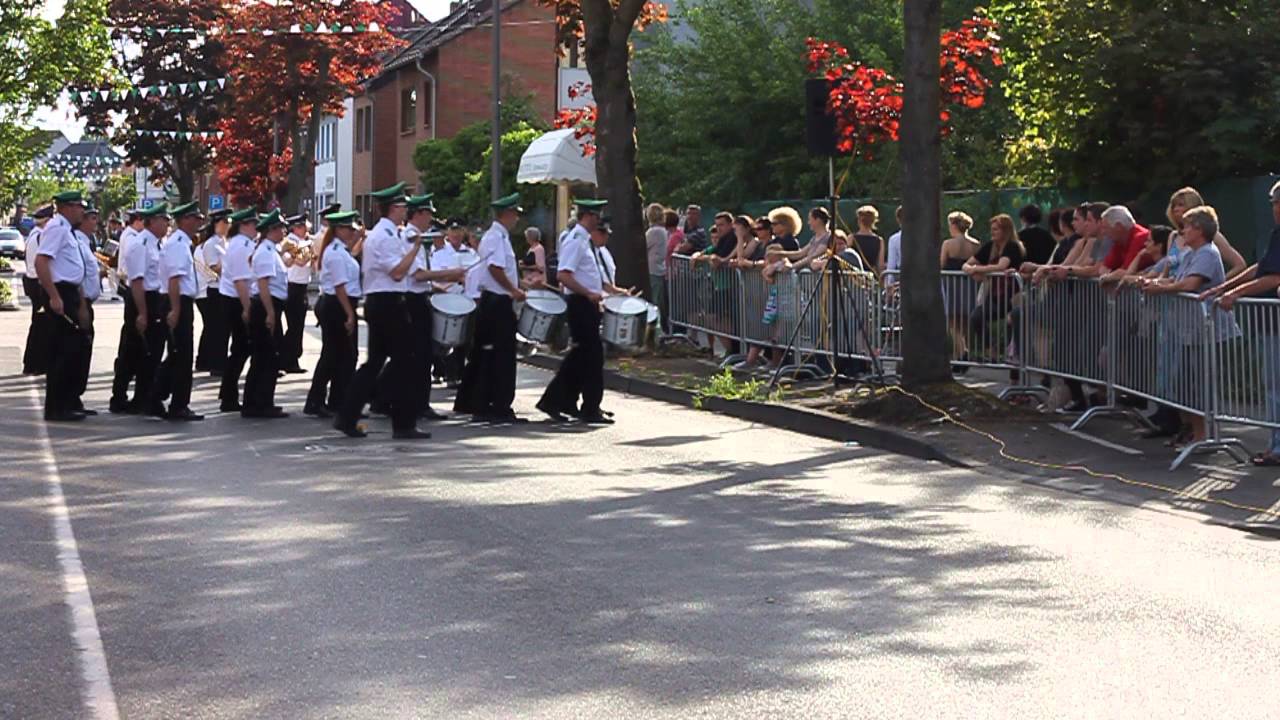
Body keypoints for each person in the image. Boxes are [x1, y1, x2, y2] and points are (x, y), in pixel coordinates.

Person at [334, 182, 431, 439]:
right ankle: (403, 423)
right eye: (402, 207)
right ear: (393, 209)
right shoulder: (385, 236)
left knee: (376, 362)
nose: (405, 211)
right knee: (405, 360)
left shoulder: (388, 234)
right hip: (388, 302)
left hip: (381, 301)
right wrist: (415, 249)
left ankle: (348, 414)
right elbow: (398, 273)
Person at [1137, 206, 1227, 448]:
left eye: (1187, 226)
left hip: (1201, 329)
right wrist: (1152, 281)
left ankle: (1202, 435)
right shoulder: (1190, 253)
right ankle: (1191, 431)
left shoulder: (1207, 253)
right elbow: (1175, 279)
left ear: (1199, 229)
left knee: (1198, 383)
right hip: (1184, 329)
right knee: (1183, 381)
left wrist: (1160, 288)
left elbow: (1190, 284)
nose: (1182, 230)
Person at [538, 199, 628, 424]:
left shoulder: (586, 242)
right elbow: (564, 275)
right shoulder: (576, 241)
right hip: (580, 304)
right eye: (596, 216)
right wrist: (588, 293)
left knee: (582, 357)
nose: (599, 221)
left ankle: (563, 401)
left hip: (586, 303)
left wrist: (615, 291)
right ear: (587, 216)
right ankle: (587, 406)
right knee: (591, 357)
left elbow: (591, 274)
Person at [454, 192, 529, 424]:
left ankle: (479, 401)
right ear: (507, 214)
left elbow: (499, 269)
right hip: (498, 301)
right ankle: (497, 405)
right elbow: (496, 269)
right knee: (501, 355)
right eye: (515, 214)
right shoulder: (497, 237)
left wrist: (520, 284)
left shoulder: (497, 236)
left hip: (494, 300)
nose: (517, 218)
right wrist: (513, 290)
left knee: (486, 354)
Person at [397, 194, 464, 420]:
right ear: (419, 214)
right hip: (413, 300)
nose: (431, 219)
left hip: (418, 297)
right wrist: (450, 274)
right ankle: (418, 405)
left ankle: (390, 399)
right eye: (429, 214)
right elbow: (416, 275)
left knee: (417, 354)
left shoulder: (416, 236)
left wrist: (437, 286)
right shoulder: (410, 237)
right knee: (421, 354)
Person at [34, 191, 89, 421]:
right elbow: (41, 261)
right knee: (62, 352)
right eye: (79, 207)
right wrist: (54, 296)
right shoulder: (57, 228)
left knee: (72, 350)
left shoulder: (66, 229)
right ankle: (57, 407)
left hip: (70, 292)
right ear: (67, 207)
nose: (82, 212)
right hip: (61, 292)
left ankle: (66, 402)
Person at [305, 211, 364, 418]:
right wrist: (350, 315)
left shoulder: (341, 250)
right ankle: (319, 401)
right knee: (336, 356)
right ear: (338, 229)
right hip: (338, 305)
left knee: (342, 356)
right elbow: (340, 286)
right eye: (349, 229)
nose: (351, 232)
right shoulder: (336, 253)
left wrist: (358, 238)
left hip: (339, 304)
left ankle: (336, 400)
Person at [113, 203, 169, 416]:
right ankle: (119, 397)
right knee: (133, 351)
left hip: (155, 299)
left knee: (151, 352)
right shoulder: (140, 244)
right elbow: (136, 281)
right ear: (152, 221)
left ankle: (143, 397)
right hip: (142, 300)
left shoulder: (156, 244)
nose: (167, 224)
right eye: (164, 220)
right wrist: (143, 313)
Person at [151, 202, 205, 421]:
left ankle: (156, 396)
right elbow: (174, 278)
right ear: (184, 220)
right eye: (195, 218)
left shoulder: (182, 242)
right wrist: (175, 309)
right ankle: (178, 405)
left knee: (176, 355)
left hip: (180, 300)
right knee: (181, 356)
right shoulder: (178, 244)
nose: (199, 222)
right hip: (177, 300)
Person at [241, 210, 290, 419]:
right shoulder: (266, 252)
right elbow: (263, 284)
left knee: (265, 357)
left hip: (268, 305)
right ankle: (258, 403)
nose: (284, 232)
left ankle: (258, 401)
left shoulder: (269, 250)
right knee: (266, 357)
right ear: (271, 230)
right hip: (265, 306)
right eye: (281, 228)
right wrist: (270, 313)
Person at [963, 214, 1025, 361]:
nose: (993, 232)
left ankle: (1015, 361)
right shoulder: (990, 246)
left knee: (1013, 322)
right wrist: (970, 269)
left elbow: (1001, 266)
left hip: (1012, 295)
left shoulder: (1013, 246)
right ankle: (992, 351)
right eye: (992, 229)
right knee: (976, 317)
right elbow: (967, 264)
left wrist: (978, 269)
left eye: (996, 229)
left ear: (1006, 230)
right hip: (994, 295)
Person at [217, 208, 259, 413]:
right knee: (241, 348)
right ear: (243, 225)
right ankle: (228, 395)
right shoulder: (241, 246)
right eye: (253, 224)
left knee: (240, 349)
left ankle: (228, 393)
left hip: (234, 298)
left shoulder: (241, 243)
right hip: (236, 300)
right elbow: (241, 281)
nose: (256, 228)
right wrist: (247, 308)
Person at [1164, 187, 1247, 280]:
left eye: (1180, 205)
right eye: (1173, 206)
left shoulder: (1212, 235)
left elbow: (1240, 265)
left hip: (1198, 291)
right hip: (1171, 291)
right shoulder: (1173, 236)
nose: (1175, 209)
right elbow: (1166, 272)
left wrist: (1219, 284)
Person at [71, 205, 102, 416]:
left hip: (86, 303)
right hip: (80, 303)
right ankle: (71, 398)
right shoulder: (77, 242)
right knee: (77, 352)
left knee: (83, 352)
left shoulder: (85, 242)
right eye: (91, 218)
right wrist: (82, 305)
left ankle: (75, 398)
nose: (95, 222)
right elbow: (77, 276)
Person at [940, 211, 980, 366]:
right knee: (964, 320)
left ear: (955, 225)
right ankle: (961, 354)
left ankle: (962, 352)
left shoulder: (948, 244)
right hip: (969, 284)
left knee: (952, 320)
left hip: (952, 283)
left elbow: (942, 263)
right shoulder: (975, 244)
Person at [195, 209, 230, 376]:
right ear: (218, 224)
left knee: (220, 328)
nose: (229, 225)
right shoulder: (211, 244)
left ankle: (215, 361)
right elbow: (214, 267)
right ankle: (216, 364)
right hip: (214, 289)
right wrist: (234, 265)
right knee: (217, 329)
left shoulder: (224, 242)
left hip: (223, 288)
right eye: (226, 222)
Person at [280, 214, 314, 374]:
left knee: (297, 326)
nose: (307, 228)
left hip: (302, 287)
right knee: (294, 326)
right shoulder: (289, 242)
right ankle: (287, 359)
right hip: (292, 288)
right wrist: (309, 251)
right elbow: (299, 262)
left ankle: (290, 359)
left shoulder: (305, 242)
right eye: (304, 226)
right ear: (296, 227)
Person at [22, 205, 53, 375]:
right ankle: (36, 363)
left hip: (33, 281)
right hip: (38, 283)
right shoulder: (41, 235)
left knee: (38, 324)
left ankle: (31, 362)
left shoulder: (34, 234)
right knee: (42, 326)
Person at [645, 203, 667, 321]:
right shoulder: (662, 230)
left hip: (652, 269)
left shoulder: (653, 232)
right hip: (659, 268)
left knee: (654, 302)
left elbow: (643, 246)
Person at [853, 205, 886, 275]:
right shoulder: (879, 240)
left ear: (859, 220)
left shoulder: (851, 238)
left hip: (854, 277)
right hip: (871, 277)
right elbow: (880, 265)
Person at [885, 206, 903, 286]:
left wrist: (889, 284)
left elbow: (891, 265)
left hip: (903, 277)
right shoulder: (925, 237)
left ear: (898, 220)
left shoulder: (894, 239)